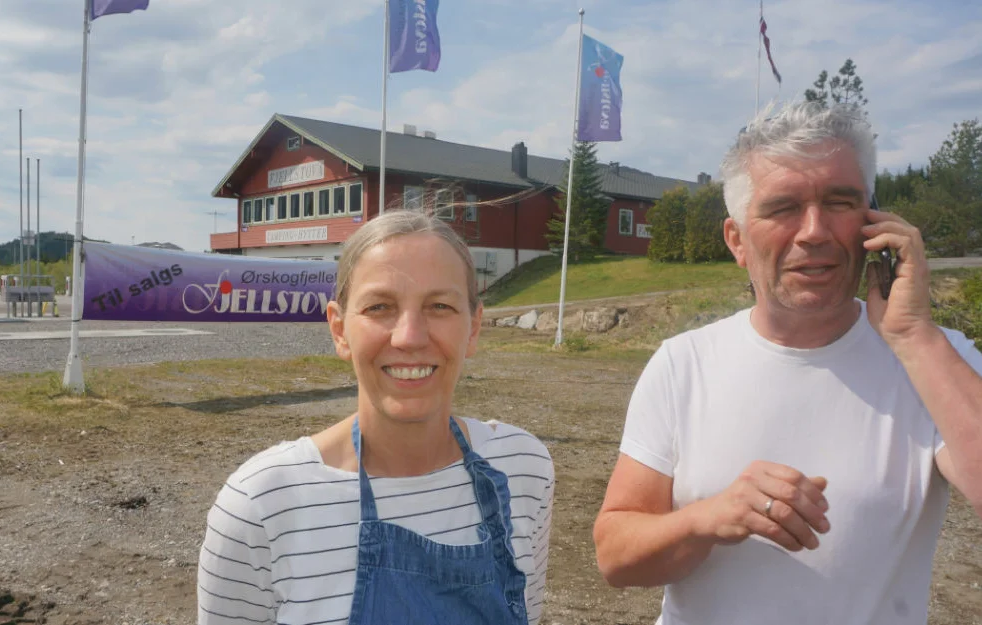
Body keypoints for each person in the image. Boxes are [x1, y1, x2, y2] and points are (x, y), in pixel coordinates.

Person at [592, 100, 982, 624]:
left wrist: (914, 336)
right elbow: (615, 556)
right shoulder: (685, 364)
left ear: (875, 223)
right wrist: (708, 518)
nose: (814, 231)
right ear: (737, 240)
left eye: (840, 202)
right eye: (783, 208)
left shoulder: (936, 361)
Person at [198, 210, 554, 624]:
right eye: (380, 306)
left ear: (473, 328)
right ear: (339, 330)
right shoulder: (263, 504)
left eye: (439, 306)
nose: (409, 337)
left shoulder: (523, 467)